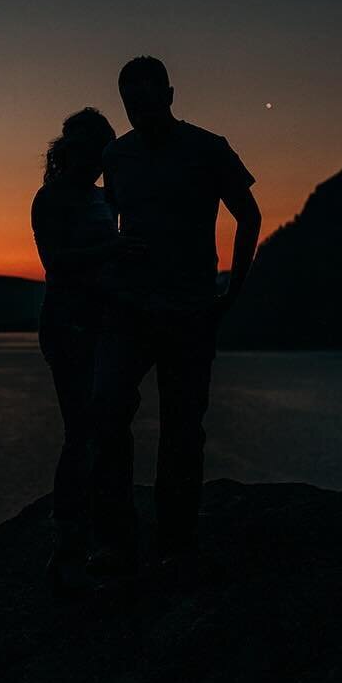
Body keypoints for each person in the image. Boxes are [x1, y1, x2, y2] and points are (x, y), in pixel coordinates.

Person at [89, 56, 261, 580]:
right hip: (129, 309)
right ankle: (117, 543)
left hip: (189, 310)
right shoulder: (116, 155)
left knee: (182, 429)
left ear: (169, 93)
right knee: (107, 415)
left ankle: (176, 544)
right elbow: (110, 222)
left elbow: (248, 214)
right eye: (130, 105)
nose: (139, 112)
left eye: (147, 100)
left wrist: (233, 288)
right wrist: (115, 248)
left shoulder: (208, 148)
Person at [30, 107, 142, 596]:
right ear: (72, 151)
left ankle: (111, 533)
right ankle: (67, 539)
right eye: (93, 152)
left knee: (112, 424)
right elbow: (56, 263)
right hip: (67, 323)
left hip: (107, 322)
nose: (98, 162)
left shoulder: (105, 197)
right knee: (81, 429)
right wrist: (113, 252)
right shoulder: (49, 198)